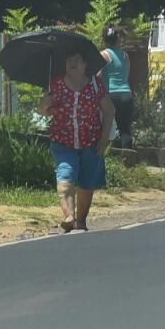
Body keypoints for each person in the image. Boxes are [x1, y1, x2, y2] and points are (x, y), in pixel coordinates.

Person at [39, 48, 116, 233]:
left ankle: (80, 221)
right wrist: (46, 104)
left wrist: (104, 140)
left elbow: (109, 111)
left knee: (86, 183)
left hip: (91, 143)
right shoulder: (56, 85)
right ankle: (69, 216)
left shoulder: (95, 85)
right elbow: (42, 109)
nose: (72, 63)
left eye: (77, 59)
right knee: (66, 175)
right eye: (69, 60)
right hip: (63, 143)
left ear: (85, 65)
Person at [101, 25, 134, 148]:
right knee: (125, 128)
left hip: (111, 94)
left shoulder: (104, 55)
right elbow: (127, 73)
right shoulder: (125, 56)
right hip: (126, 93)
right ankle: (128, 157)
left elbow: (98, 75)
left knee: (106, 124)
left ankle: (105, 152)